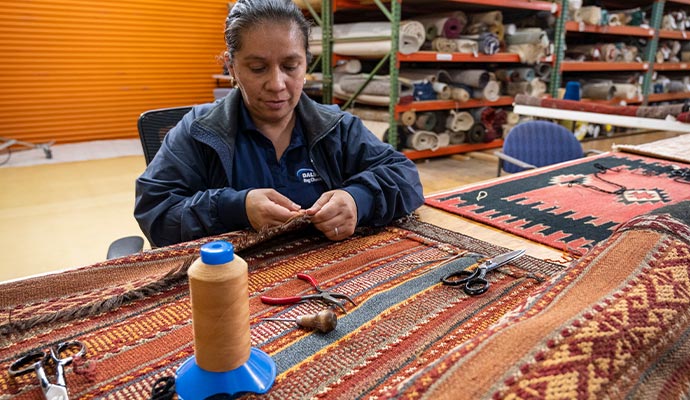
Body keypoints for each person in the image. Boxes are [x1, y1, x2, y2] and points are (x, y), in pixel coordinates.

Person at [134, 0, 424, 248]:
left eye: (290, 66)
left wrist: (357, 200)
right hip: (234, 287)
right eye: (257, 68)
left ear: (306, 64)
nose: (276, 84)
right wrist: (236, 207)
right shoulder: (199, 131)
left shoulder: (337, 128)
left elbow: (405, 177)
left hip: (331, 282)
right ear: (231, 66)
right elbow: (156, 213)